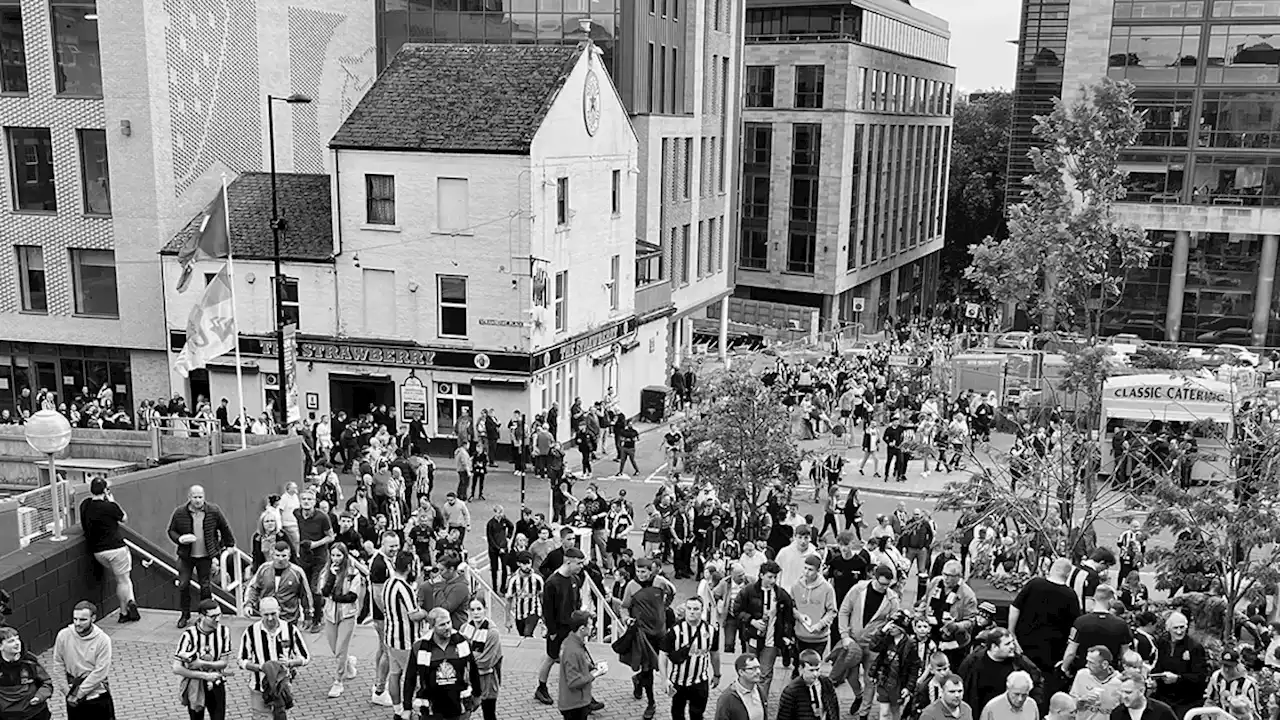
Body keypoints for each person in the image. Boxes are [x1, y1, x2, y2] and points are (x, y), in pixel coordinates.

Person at [167, 485, 237, 629]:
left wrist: (229, 544)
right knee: (183, 584)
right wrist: (180, 539)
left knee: (205, 586)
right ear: (189, 497)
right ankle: (185, 614)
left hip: (206, 556)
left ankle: (205, 615)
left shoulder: (213, 511)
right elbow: (171, 530)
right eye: (195, 497)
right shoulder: (180, 512)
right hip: (186, 556)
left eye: (200, 497)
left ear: (204, 497)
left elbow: (224, 527)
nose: (198, 500)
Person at [839, 564, 902, 720]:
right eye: (882, 584)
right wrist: (844, 635)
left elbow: (895, 623)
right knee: (849, 675)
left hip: (874, 647)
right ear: (874, 578)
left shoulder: (892, 599)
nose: (884, 588)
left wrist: (887, 634)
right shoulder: (858, 589)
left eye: (888, 585)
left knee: (870, 680)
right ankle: (858, 695)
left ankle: (864, 713)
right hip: (853, 641)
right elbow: (844, 610)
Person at [732, 560, 796, 705]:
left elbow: (788, 617)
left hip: (772, 640)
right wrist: (751, 621)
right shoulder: (748, 591)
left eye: (775, 577)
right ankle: (747, 697)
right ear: (761, 575)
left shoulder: (781, 594)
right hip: (753, 638)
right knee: (750, 670)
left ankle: (761, 701)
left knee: (765, 673)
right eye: (769, 577)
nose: (773, 580)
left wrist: (786, 636)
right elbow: (736, 610)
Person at [621, 557, 677, 720]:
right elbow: (624, 607)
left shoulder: (660, 582)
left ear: (650, 570)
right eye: (638, 571)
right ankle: (651, 703)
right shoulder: (631, 586)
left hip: (660, 631)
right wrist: (626, 619)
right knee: (647, 669)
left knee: (661, 663)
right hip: (642, 632)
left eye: (643, 572)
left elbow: (672, 592)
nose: (640, 575)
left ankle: (638, 680)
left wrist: (664, 608)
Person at [236, 596, 310, 718]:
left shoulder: (290, 629)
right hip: (258, 687)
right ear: (260, 613)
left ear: (279, 610)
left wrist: (290, 663)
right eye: (266, 615)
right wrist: (260, 667)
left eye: (273, 614)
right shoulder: (251, 632)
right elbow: (241, 660)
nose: (270, 618)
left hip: (282, 688)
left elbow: (305, 657)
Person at [403, 607, 482, 720]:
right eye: (442, 625)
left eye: (449, 622)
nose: (447, 627)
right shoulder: (420, 647)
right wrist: (407, 707)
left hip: (459, 707)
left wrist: (478, 695)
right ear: (432, 626)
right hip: (431, 709)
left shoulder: (462, 642)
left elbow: (473, 669)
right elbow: (410, 678)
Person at [79, 478, 139, 623]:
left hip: (98, 552)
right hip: (116, 549)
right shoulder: (110, 507)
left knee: (122, 579)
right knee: (123, 580)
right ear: (105, 491)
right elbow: (124, 518)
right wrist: (112, 502)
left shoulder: (85, 505)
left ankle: (130, 603)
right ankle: (125, 610)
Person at [1009, 559, 1081, 679]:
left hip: (1024, 644)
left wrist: (1011, 633)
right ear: (1068, 574)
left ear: (1052, 569)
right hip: (1052, 652)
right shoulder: (1070, 595)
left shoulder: (1034, 584)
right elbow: (1074, 626)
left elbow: (1015, 607)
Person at [534, 547, 586, 706]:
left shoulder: (575, 580)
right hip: (558, 628)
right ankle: (541, 688)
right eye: (579, 563)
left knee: (577, 659)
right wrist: (552, 631)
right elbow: (547, 610)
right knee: (550, 657)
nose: (581, 567)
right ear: (568, 562)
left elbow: (576, 603)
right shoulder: (552, 583)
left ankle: (583, 693)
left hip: (572, 629)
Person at [316, 542, 364, 698]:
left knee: (341, 648)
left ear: (345, 556)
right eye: (334, 555)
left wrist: (336, 597)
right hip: (330, 614)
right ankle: (349, 662)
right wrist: (331, 576)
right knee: (335, 648)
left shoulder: (352, 573)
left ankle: (338, 681)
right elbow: (323, 591)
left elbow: (353, 595)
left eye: (339, 555)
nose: (336, 558)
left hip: (347, 614)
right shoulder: (326, 572)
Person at [662, 596, 722, 720]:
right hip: (678, 681)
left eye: (696, 609)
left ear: (702, 610)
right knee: (677, 713)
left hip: (699, 681)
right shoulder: (675, 630)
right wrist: (664, 679)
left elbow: (714, 654)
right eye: (689, 608)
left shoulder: (711, 631)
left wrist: (717, 674)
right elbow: (663, 654)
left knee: (697, 714)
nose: (692, 612)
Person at [51, 601, 114, 719]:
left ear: (93, 618)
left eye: (83, 620)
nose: (77, 623)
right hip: (72, 696)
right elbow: (58, 664)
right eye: (75, 619)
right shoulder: (63, 635)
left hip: (97, 697)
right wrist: (66, 691)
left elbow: (101, 671)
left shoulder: (103, 640)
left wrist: (79, 693)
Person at [173, 599, 233, 720]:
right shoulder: (189, 635)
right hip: (195, 685)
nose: (217, 619)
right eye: (213, 616)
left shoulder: (223, 632)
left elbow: (224, 663)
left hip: (216, 683)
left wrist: (201, 663)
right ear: (202, 616)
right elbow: (177, 668)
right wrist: (204, 676)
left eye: (219, 615)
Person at [958, 629, 1042, 714]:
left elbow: (1037, 681)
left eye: (1012, 642)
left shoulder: (1019, 662)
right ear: (994, 647)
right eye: (1007, 644)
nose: (1012, 646)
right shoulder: (972, 663)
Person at [382, 550, 425, 714]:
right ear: (409, 567)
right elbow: (414, 615)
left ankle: (397, 709)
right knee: (412, 677)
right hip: (406, 640)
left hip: (390, 636)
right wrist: (426, 613)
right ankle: (411, 709)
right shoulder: (404, 587)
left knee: (394, 674)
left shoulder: (388, 583)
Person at [294, 488, 336, 633]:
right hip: (304, 557)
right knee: (303, 588)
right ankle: (307, 617)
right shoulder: (297, 513)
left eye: (309, 499)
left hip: (320, 557)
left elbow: (331, 536)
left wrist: (314, 544)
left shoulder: (322, 517)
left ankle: (318, 618)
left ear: (314, 502)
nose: (306, 502)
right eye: (303, 499)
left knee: (315, 588)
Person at [1152, 611, 1208, 719]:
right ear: (1168, 628)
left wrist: (1178, 679)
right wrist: (1154, 678)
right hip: (1164, 696)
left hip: (1186, 700)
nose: (1179, 631)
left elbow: (1200, 677)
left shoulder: (1195, 647)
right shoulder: (1163, 643)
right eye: (1175, 628)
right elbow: (1159, 665)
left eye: (1182, 627)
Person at [243, 542, 313, 625]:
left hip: (289, 619)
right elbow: (253, 588)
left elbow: (306, 595)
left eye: (284, 556)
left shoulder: (297, 572)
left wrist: (308, 615)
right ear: (272, 555)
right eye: (277, 555)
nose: (280, 559)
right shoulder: (263, 569)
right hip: (267, 617)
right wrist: (248, 604)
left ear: (289, 556)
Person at [558, 610, 606, 720]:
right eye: (590, 624)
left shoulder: (571, 643)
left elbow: (577, 666)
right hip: (574, 704)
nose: (593, 626)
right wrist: (596, 674)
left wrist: (592, 666)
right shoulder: (573, 651)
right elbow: (573, 682)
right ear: (582, 628)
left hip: (576, 702)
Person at [461, 597, 504, 720]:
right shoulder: (464, 628)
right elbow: (458, 655)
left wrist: (468, 659)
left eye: (479, 609)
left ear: (485, 609)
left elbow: (486, 661)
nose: (476, 613)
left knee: (489, 714)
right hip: (468, 681)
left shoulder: (492, 632)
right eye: (472, 609)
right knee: (465, 712)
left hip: (488, 682)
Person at [791, 555, 837, 667]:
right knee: (799, 666)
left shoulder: (827, 588)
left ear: (818, 570)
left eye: (810, 569)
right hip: (800, 634)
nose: (806, 572)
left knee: (812, 666)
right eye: (805, 568)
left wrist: (820, 624)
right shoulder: (796, 586)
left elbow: (832, 611)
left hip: (819, 637)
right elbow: (791, 606)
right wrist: (798, 615)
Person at [0, 626, 53, 720]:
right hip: (8, 716)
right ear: (1, 646)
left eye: (17, 639)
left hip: (35, 713)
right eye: (11, 641)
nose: (17, 643)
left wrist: (39, 697)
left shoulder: (30, 661)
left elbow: (47, 683)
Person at [776, 648, 840, 720]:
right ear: (801, 669)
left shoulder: (826, 683)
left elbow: (834, 708)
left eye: (817, 669)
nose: (815, 674)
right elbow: (784, 716)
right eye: (811, 670)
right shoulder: (791, 691)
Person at [1071, 646, 1124, 720]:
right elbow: (1070, 705)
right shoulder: (1081, 675)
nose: (1087, 665)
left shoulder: (1120, 682)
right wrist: (1082, 700)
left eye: (1091, 663)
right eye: (1087, 661)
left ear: (1104, 664)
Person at [714, 654, 767, 720]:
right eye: (752, 669)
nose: (758, 672)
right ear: (741, 672)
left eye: (758, 667)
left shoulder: (759, 690)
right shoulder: (727, 698)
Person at [1111, 669, 1179, 720]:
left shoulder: (1162, 712)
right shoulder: (1117, 714)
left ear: (1141, 691)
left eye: (1128, 692)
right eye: (1121, 692)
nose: (1123, 696)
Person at [505, 551, 544, 637]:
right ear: (518, 563)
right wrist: (507, 620)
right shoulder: (513, 581)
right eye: (524, 564)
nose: (527, 566)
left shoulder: (537, 579)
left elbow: (542, 597)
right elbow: (508, 600)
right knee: (523, 636)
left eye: (529, 563)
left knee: (527, 633)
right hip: (519, 614)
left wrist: (545, 618)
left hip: (534, 611)